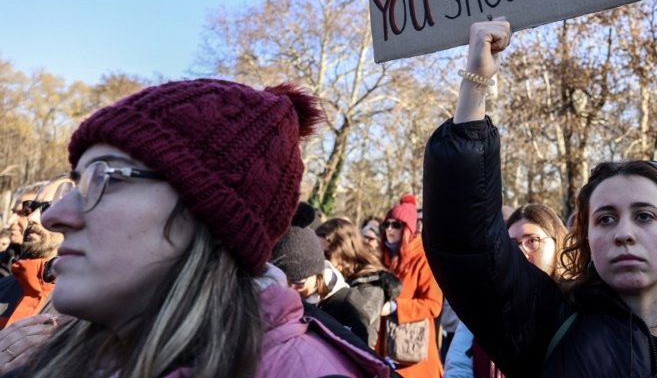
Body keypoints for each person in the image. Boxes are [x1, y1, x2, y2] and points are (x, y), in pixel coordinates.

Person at [424, 19, 657, 377]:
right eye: (605, 218)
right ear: (587, 239)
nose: (624, 233)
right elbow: (467, 242)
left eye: (644, 216)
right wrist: (476, 83)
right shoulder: (547, 324)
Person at [15, 79, 392, 377]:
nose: (53, 215)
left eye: (101, 179)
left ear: (207, 215)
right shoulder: (53, 358)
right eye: (76, 183)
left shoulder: (306, 371)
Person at [444, 203, 567, 378]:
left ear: (556, 243)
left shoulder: (576, 306)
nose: (520, 253)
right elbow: (458, 366)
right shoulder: (482, 306)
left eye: (532, 241)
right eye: (512, 245)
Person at [378, 195, 444, 377]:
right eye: (386, 224)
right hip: (385, 347)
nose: (389, 230)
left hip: (412, 349)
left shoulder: (424, 257)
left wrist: (395, 307)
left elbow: (433, 305)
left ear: (408, 228)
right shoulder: (382, 257)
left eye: (396, 225)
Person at [319, 217, 402, 350]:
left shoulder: (372, 284)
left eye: (326, 254)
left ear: (343, 250)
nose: (322, 261)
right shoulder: (333, 274)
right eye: (318, 254)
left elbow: (357, 323)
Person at [0, 178, 70, 329]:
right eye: (31, 207)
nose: (31, 217)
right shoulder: (3, 289)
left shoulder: (91, 310)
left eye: (48, 208)